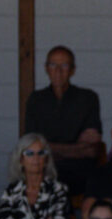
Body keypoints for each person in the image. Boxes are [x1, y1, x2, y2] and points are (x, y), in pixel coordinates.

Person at [25, 45, 105, 188]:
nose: (58, 71)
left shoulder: (87, 98)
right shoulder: (36, 100)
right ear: (46, 68)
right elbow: (31, 145)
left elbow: (91, 149)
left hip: (79, 170)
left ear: (72, 70)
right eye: (53, 65)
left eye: (64, 65)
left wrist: (50, 148)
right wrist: (76, 149)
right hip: (45, 168)